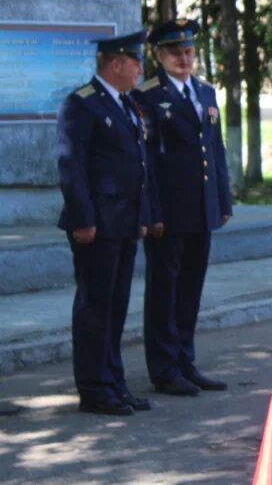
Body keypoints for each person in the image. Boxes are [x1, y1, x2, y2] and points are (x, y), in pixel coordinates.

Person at [57, 30, 153, 416]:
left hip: (125, 223)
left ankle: (114, 382)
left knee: (116, 307)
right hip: (96, 225)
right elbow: (71, 164)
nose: (140, 69)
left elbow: (139, 167)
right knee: (94, 309)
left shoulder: (127, 104)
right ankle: (94, 389)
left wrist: (142, 217)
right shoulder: (82, 104)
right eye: (135, 62)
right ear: (115, 63)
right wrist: (83, 219)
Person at [135, 19, 232, 397]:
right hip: (169, 212)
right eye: (175, 52)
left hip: (201, 208)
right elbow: (146, 163)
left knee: (190, 288)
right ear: (159, 56)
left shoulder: (205, 93)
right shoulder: (147, 96)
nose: (184, 58)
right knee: (164, 291)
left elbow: (216, 151)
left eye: (189, 51)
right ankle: (163, 368)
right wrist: (151, 212)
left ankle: (185, 361)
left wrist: (222, 200)